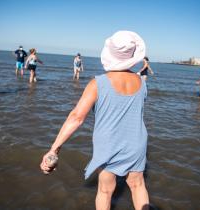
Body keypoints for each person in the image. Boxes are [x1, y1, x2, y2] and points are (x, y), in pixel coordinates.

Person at [40, 31, 150, 210]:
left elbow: (76, 117)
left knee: (105, 191)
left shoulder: (98, 83)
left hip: (109, 144)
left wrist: (54, 149)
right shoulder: (142, 83)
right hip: (136, 143)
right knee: (138, 186)